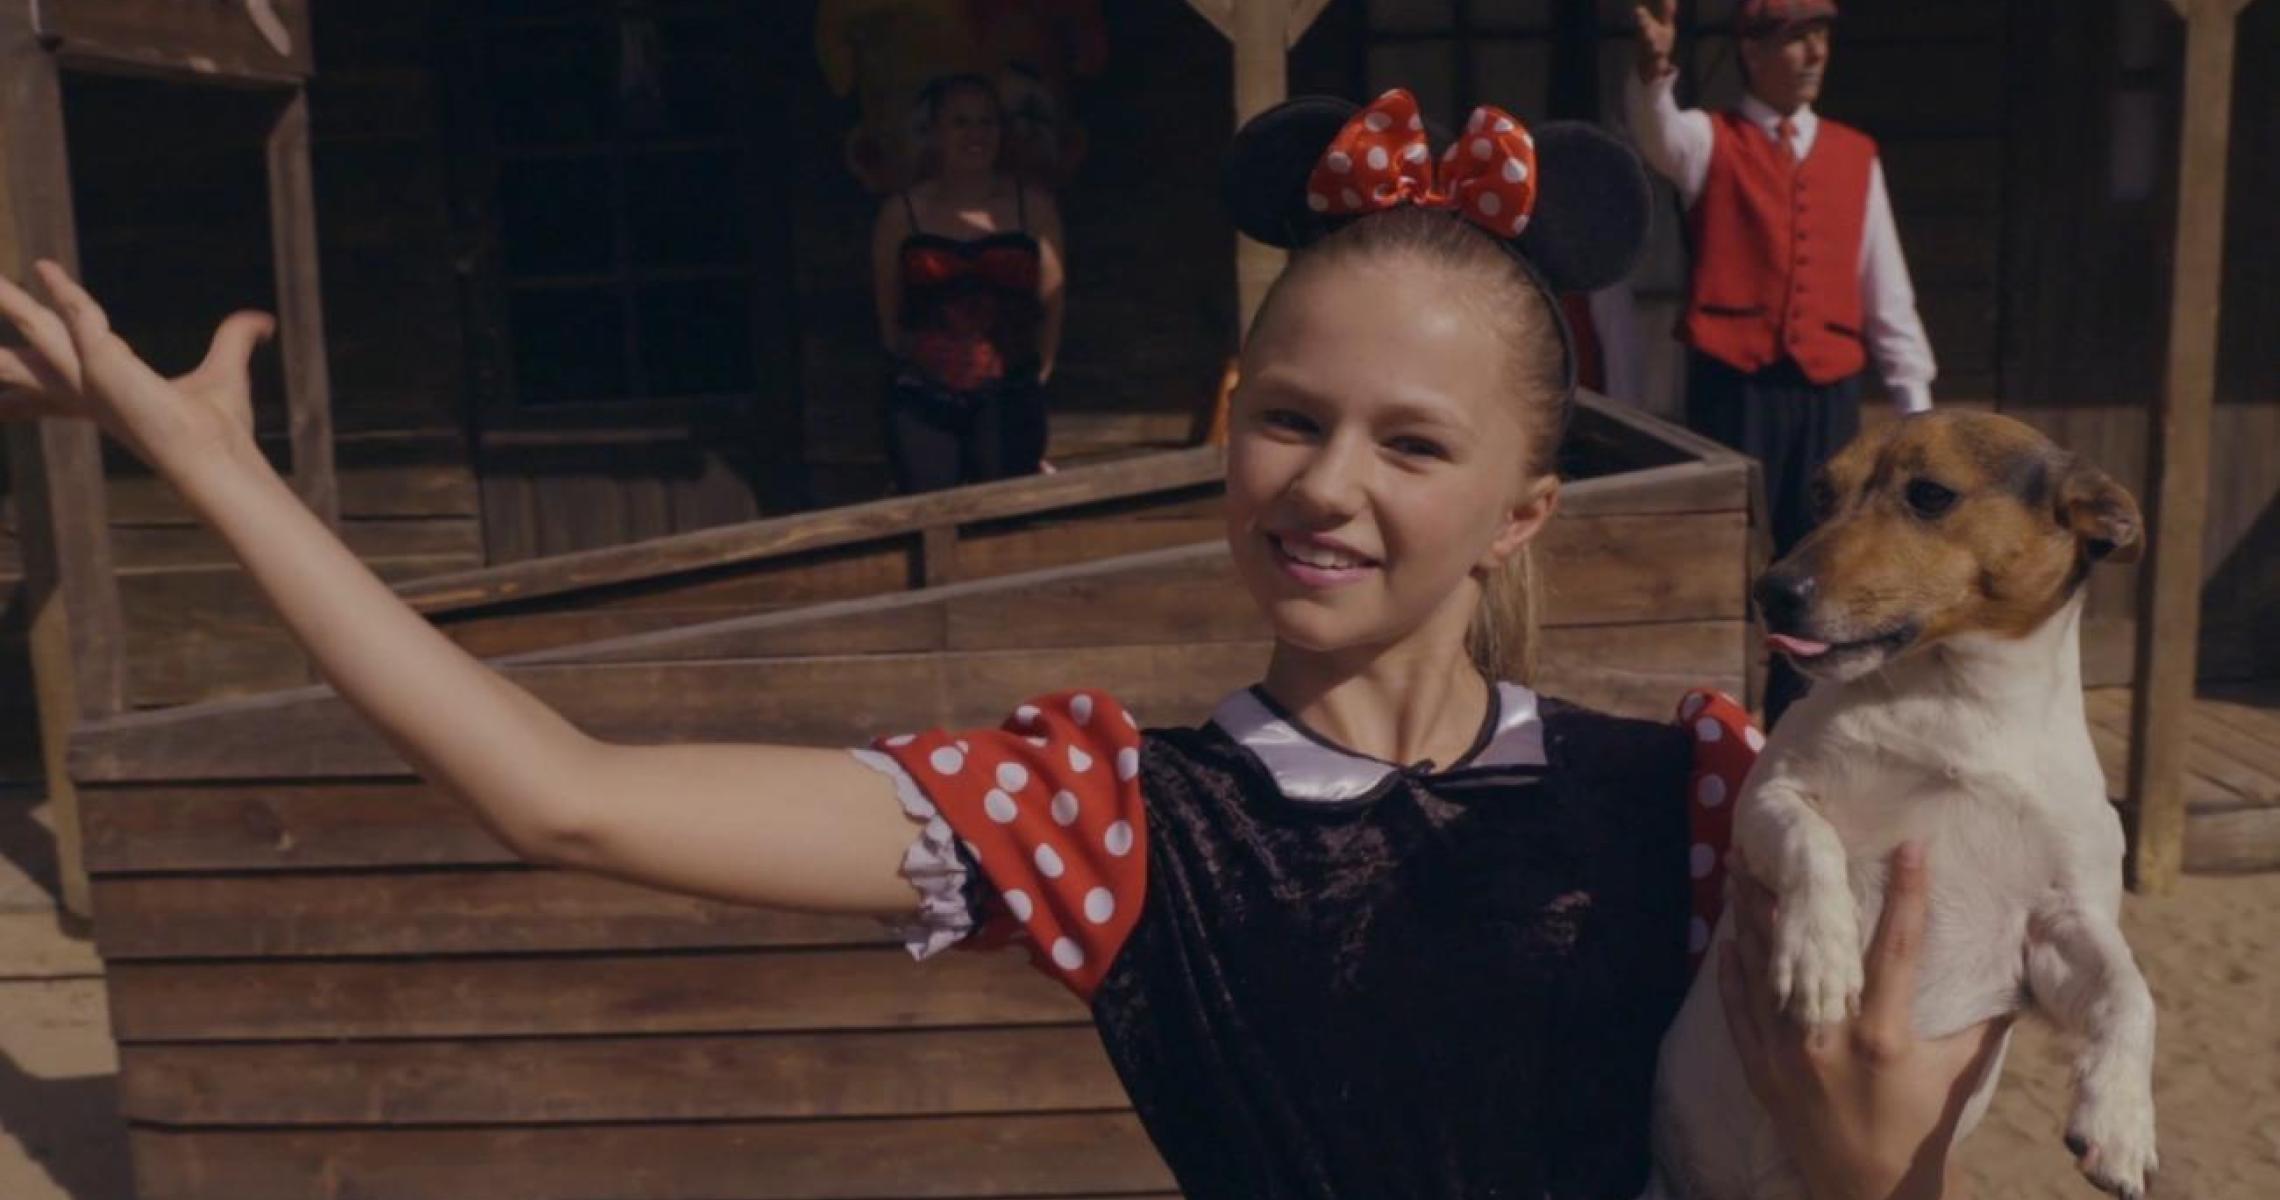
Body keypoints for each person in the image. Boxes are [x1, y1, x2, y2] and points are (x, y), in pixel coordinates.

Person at [0, 84, 2003, 1199]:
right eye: (1288, 419)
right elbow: (566, 799)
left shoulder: (1702, 793)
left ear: (1521, 512)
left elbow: (1880, 1142)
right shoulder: (1117, 818)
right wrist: (215, 470)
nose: (1326, 485)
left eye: (1411, 444)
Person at [1628, 0, 1938, 724]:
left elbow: (1887, 291)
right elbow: (1655, 132)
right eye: (1797, 39)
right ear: (1752, 50)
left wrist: (1917, 409)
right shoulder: (1709, 139)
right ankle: (1721, 711)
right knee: (1730, 548)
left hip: (1826, 390)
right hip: (1734, 384)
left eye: (1820, 36)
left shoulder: (1856, 155)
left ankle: (1797, 716)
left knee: (1819, 557)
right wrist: (1652, 71)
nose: (1814, 54)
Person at [869, 73, 1066, 493]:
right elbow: (888, 308)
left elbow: (1052, 301)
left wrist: (1038, 372)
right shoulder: (902, 215)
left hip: (1009, 392)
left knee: (1005, 513)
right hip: (924, 397)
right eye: (961, 122)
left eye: (986, 122)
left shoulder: (1032, 208)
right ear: (935, 132)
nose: (976, 134)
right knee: (928, 510)